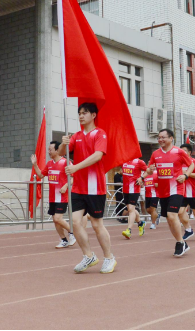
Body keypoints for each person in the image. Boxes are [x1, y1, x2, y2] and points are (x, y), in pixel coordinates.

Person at [58, 103, 116, 274]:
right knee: (75, 223)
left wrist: (76, 167)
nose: (81, 116)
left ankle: (109, 257)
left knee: (97, 224)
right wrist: (63, 143)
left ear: (93, 115)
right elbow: (63, 152)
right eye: (79, 113)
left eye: (85, 113)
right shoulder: (76, 136)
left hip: (94, 187)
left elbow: (98, 156)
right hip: (78, 187)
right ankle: (88, 256)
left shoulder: (100, 134)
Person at [146, 129, 194, 257]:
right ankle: (182, 242)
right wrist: (148, 171)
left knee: (172, 215)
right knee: (169, 219)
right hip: (163, 191)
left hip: (176, 188)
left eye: (163, 137)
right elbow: (149, 170)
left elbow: (191, 165)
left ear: (171, 138)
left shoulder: (179, 152)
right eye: (159, 137)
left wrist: (185, 176)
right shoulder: (155, 154)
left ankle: (180, 243)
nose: (161, 140)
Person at [31, 142, 75, 249]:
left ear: (57, 150)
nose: (49, 151)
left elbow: (73, 177)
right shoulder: (49, 163)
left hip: (62, 196)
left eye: (50, 149)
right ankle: (64, 240)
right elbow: (41, 175)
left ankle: (73, 233)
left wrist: (65, 186)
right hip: (52, 197)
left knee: (58, 218)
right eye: (48, 149)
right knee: (55, 220)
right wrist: (35, 164)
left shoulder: (66, 162)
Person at [179, 143, 195, 242]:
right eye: (181, 150)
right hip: (181, 192)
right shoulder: (179, 162)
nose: (182, 152)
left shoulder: (194, 162)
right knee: (180, 213)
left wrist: (186, 174)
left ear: (189, 152)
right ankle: (188, 229)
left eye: (184, 150)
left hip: (192, 192)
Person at [120, 158, 148, 240]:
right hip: (125, 189)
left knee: (131, 210)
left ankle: (128, 230)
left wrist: (141, 178)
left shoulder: (139, 162)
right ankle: (140, 223)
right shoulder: (123, 160)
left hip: (134, 189)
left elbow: (148, 171)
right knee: (130, 209)